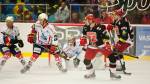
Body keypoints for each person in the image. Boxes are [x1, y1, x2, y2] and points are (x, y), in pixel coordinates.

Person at [82, 14, 110, 79]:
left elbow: (106, 37)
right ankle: (91, 73)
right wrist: (84, 39)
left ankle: (113, 72)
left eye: (87, 20)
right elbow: (85, 35)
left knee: (111, 56)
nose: (85, 21)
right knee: (86, 61)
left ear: (91, 20)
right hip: (91, 47)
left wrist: (106, 43)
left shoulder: (99, 27)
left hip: (101, 46)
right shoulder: (85, 27)